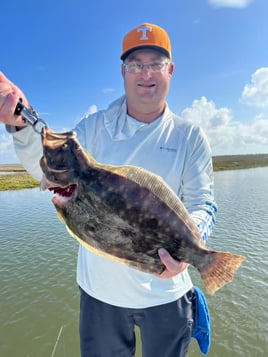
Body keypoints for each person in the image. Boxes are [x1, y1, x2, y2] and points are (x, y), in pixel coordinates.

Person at [0, 23, 217, 357]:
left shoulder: (190, 137)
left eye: (155, 63)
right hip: (100, 295)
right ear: (122, 72)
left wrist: (193, 247)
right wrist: (21, 126)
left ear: (170, 70)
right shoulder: (94, 128)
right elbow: (50, 171)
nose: (145, 73)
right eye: (135, 64)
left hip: (167, 291)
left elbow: (204, 203)